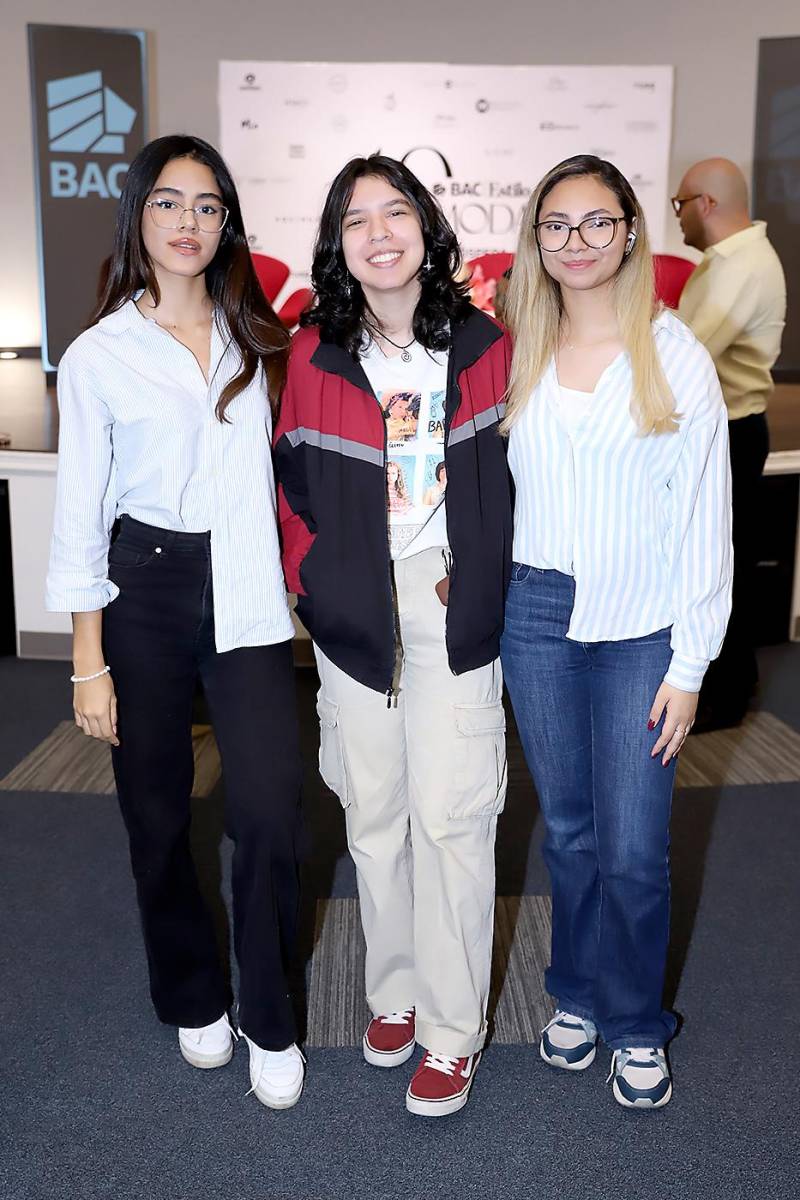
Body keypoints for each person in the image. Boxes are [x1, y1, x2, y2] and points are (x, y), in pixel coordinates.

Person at [45, 134, 306, 1110]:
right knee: (154, 813)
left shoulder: (265, 339)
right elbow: (81, 510)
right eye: (168, 203)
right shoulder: (101, 353)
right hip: (142, 587)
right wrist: (87, 660)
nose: (187, 222)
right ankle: (193, 991)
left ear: (226, 223)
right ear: (137, 219)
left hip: (242, 587)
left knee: (270, 812)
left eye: (206, 205)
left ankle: (270, 1013)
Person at [274, 154, 512, 1118]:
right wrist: (315, 582)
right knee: (373, 815)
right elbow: (286, 486)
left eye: (397, 212)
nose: (380, 232)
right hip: (352, 608)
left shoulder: (485, 344)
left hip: (449, 602)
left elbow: (517, 482)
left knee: (453, 817)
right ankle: (397, 994)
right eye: (357, 218)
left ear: (425, 227)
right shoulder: (311, 353)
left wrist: (482, 570)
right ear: (337, 242)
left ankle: (455, 1031)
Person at [500, 155, 732, 1109]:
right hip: (537, 616)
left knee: (635, 844)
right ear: (537, 242)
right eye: (557, 225)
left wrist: (691, 662)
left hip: (643, 625)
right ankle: (578, 995)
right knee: (570, 831)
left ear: (632, 231)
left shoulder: (674, 354)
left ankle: (638, 1023)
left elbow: (705, 517)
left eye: (598, 223)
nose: (577, 242)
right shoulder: (514, 346)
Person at [673, 157, 786, 730]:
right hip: (728, 428)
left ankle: (726, 696)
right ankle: (727, 688)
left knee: (719, 563)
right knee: (718, 557)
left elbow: (685, 352)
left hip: (734, 431)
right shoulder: (728, 262)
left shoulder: (740, 266)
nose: (679, 220)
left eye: (680, 205)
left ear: (706, 204)